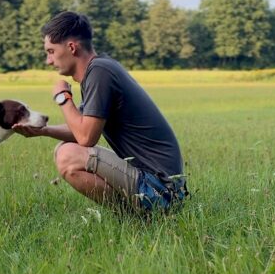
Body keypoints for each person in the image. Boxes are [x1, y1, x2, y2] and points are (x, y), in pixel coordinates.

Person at [13, 11, 187, 211]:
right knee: (63, 148)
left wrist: (62, 97)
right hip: (159, 186)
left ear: (71, 47)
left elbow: (86, 137)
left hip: (160, 190)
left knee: (67, 154)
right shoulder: (99, 70)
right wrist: (42, 130)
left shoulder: (99, 72)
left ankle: (135, 218)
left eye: (51, 51)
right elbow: (81, 128)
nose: (48, 61)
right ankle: (137, 216)